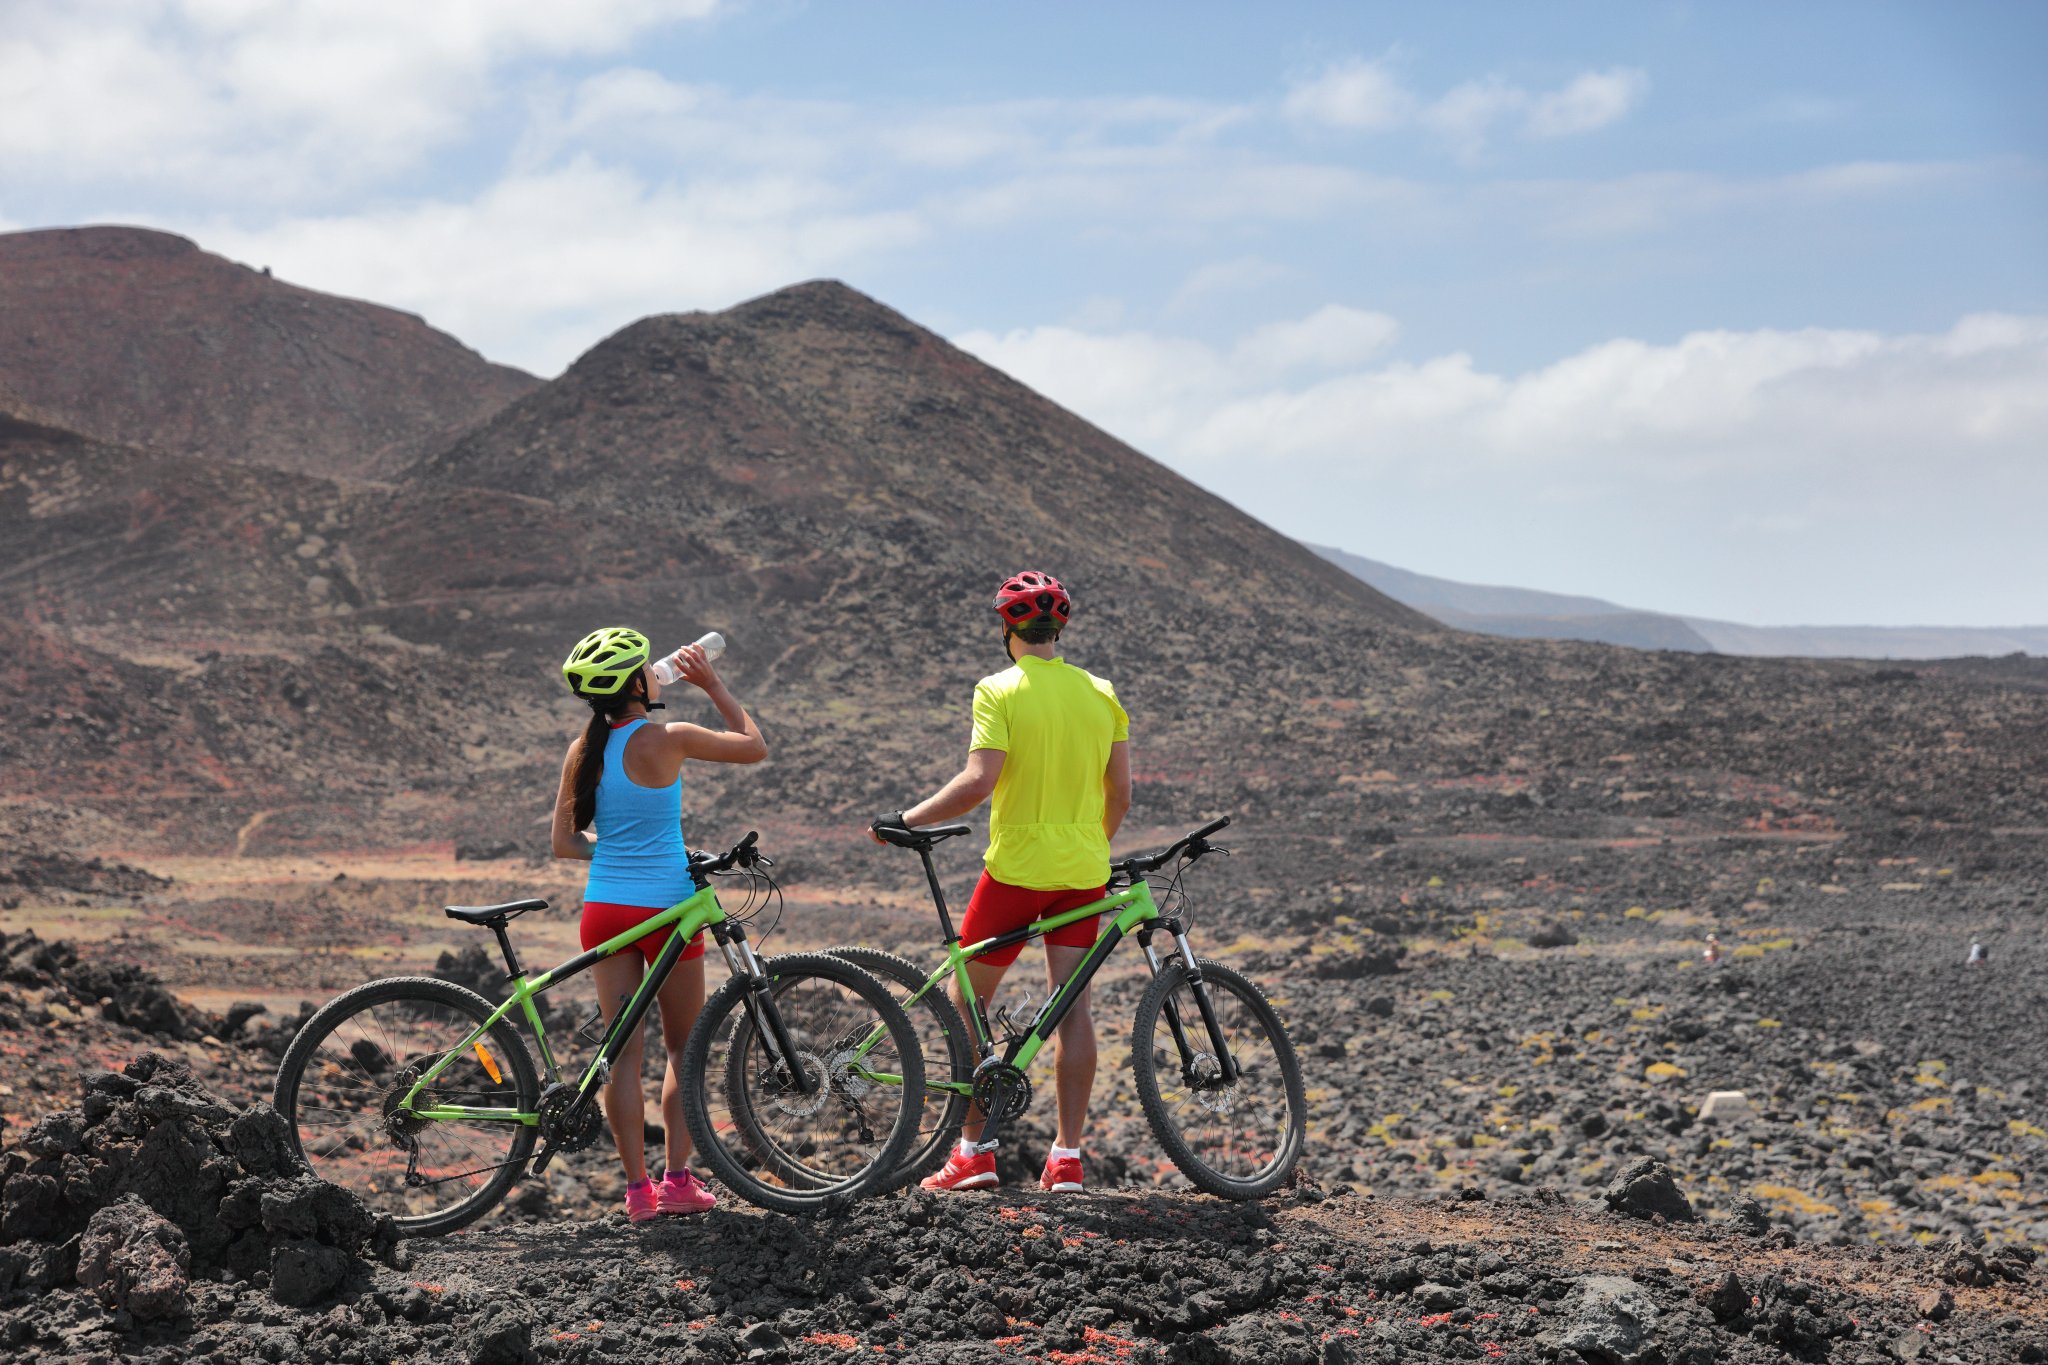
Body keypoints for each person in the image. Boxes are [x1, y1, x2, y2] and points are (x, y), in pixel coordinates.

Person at [873, 571, 1131, 1194]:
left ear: (1006, 628)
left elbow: (978, 781)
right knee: (1072, 1008)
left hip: (1016, 871)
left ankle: (972, 1152)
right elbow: (1118, 793)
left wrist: (902, 820)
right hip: (1082, 872)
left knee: (969, 1002)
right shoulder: (1100, 692)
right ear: (1058, 627)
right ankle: (1067, 1159)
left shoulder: (999, 689)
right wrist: (1090, 846)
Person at [551, 626, 767, 1222]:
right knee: (683, 1049)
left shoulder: (581, 751)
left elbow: (566, 844)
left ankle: (637, 1194)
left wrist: (620, 848)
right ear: (638, 684)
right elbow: (753, 746)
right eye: (649, 667)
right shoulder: (667, 737)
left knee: (622, 1055)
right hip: (669, 911)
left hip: (605, 912)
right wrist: (712, 683)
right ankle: (676, 1182)